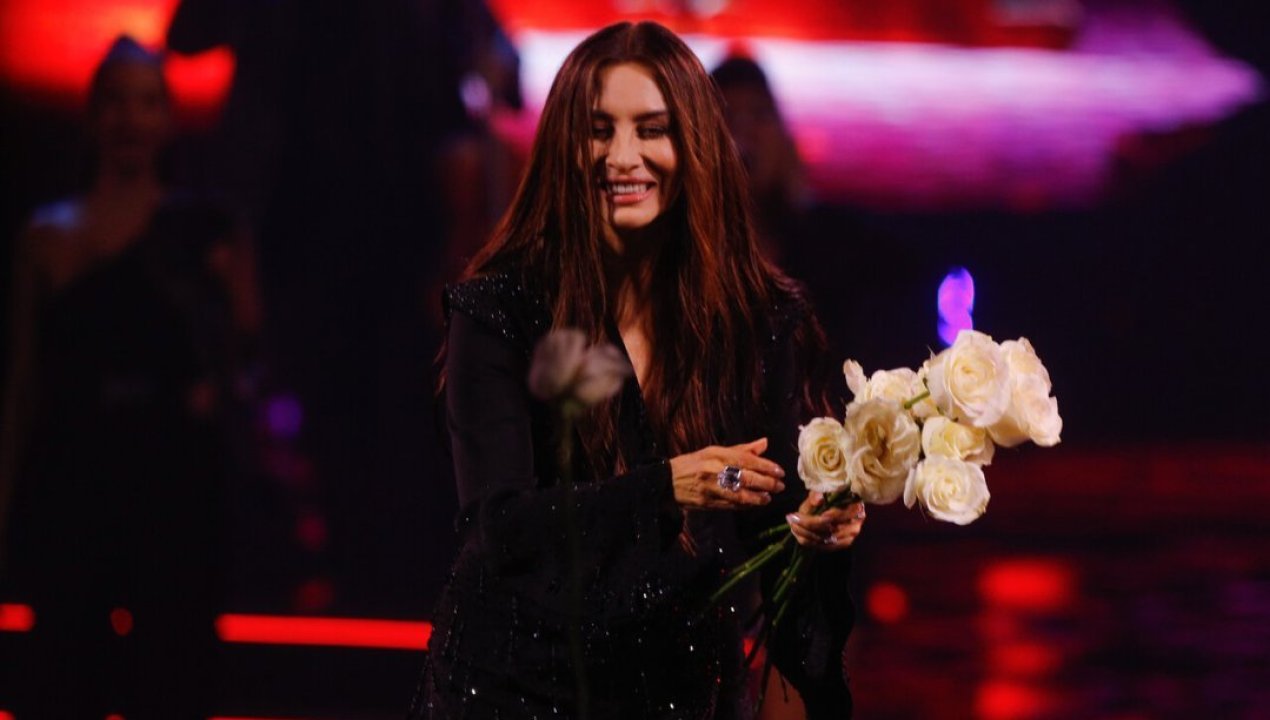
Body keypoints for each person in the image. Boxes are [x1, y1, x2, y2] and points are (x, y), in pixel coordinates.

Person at [410, 22, 864, 719]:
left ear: (695, 144)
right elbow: (501, 530)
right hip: (514, 691)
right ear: (565, 148)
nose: (623, 157)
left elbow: (774, 543)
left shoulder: (757, 322)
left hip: (682, 693)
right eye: (599, 131)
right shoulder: (501, 311)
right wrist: (664, 488)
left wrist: (814, 534)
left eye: (652, 129)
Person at [0, 36, 258, 717]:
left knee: (169, 678)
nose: (129, 120)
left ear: (167, 120)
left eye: (146, 103)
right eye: (114, 102)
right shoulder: (45, 238)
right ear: (92, 117)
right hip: (73, 487)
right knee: (62, 676)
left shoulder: (206, 231)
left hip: (173, 493)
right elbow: (22, 388)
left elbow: (246, 361)